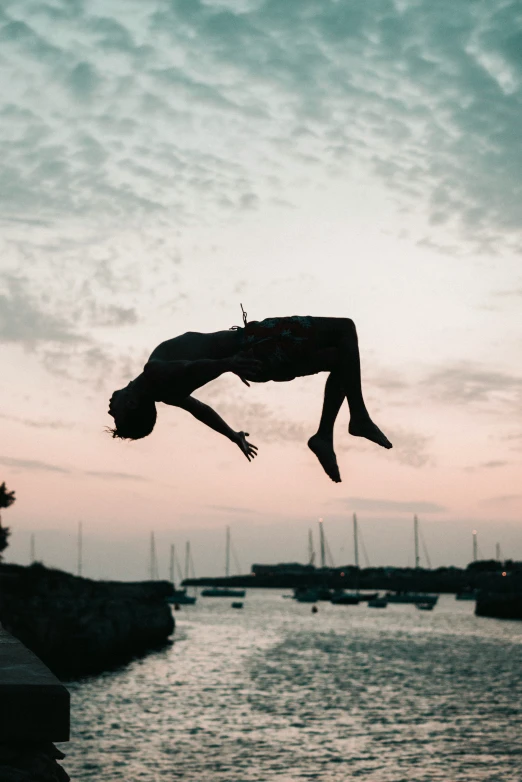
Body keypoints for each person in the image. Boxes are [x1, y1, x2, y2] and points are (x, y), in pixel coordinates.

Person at [107, 311, 392, 482]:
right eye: (116, 412)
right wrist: (227, 363)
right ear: (132, 403)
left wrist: (232, 435)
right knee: (344, 328)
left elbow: (201, 410)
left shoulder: (165, 392)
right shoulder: (154, 372)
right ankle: (358, 418)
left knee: (342, 359)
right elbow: (188, 366)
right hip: (258, 345)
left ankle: (325, 436)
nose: (109, 409)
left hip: (256, 359)